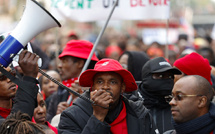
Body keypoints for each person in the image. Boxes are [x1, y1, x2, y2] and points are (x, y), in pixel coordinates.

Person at [58, 58, 158, 134]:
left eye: (113, 82)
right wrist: (98, 117)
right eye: (100, 81)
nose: (105, 87)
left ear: (122, 87)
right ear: (92, 87)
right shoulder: (71, 116)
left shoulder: (140, 114)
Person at [47, 40, 99, 122]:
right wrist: (56, 118)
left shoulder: (96, 93)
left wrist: (79, 105)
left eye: (64, 61)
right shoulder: (58, 93)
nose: (59, 66)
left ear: (80, 64)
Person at [0, 50, 45, 133]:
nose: (10, 79)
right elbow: (14, 127)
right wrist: (29, 78)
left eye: (12, 74)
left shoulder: (32, 109)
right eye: (2, 78)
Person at [136, 57, 181, 133]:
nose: (166, 80)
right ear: (146, 77)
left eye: (170, 76)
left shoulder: (177, 105)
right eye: (160, 76)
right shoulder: (132, 105)